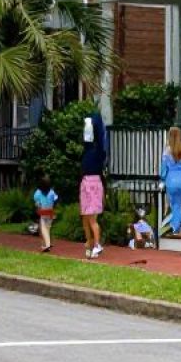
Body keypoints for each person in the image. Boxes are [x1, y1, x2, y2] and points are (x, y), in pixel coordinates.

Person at [80, 109, 108, 259]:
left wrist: (94, 123)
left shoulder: (98, 151)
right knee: (85, 216)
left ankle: (97, 244)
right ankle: (89, 242)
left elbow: (99, 137)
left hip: (93, 183)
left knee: (92, 219)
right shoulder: (88, 149)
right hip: (85, 182)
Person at [160, 126, 181, 236]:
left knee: (174, 205)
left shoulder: (167, 151)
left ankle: (175, 226)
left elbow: (164, 169)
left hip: (170, 180)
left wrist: (162, 179)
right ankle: (176, 224)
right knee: (178, 204)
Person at [32, 175, 58, 253]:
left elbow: (37, 204)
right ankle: (46, 244)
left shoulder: (37, 192)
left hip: (43, 212)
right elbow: (56, 199)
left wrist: (38, 209)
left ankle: (47, 245)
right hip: (50, 211)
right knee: (48, 228)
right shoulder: (52, 191)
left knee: (43, 228)